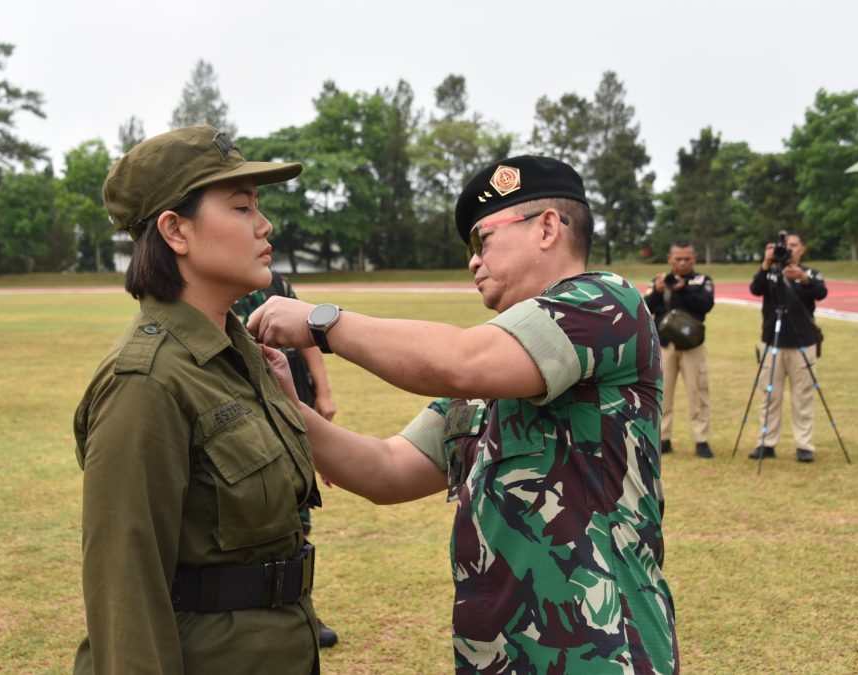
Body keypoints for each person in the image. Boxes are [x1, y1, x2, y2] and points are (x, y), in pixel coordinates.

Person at [250, 156, 677, 673]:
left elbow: (460, 362)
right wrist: (289, 406)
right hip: (501, 656)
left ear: (546, 227)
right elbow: (387, 469)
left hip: (604, 652)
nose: (472, 261)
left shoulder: (604, 302)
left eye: (481, 240)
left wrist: (323, 323)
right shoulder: (492, 383)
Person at [72, 125, 322, 674]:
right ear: (175, 231)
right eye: (240, 207)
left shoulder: (240, 356)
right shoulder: (146, 381)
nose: (265, 225)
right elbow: (126, 590)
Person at [233, 271, 339, 648]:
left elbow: (307, 339)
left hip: (292, 402)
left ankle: (301, 606)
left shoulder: (275, 284)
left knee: (299, 512)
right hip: (252, 412)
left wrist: (322, 393)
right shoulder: (222, 283)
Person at [748, 231, 827, 463]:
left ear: (802, 249)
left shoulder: (810, 273)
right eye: (786, 246)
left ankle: (804, 444)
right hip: (772, 341)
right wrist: (766, 262)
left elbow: (822, 292)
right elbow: (755, 288)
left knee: (803, 395)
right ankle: (767, 442)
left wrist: (803, 279)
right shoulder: (770, 272)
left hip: (803, 341)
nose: (789, 250)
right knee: (770, 395)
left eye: (794, 245)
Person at [644, 241, 715, 458]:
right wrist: (657, 291)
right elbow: (644, 307)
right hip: (665, 346)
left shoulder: (701, 281)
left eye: (687, 259)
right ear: (669, 259)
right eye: (678, 259)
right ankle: (663, 438)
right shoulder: (659, 281)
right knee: (662, 394)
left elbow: (706, 305)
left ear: (694, 259)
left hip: (693, 345)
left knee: (698, 392)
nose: (682, 263)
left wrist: (683, 290)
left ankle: (701, 439)